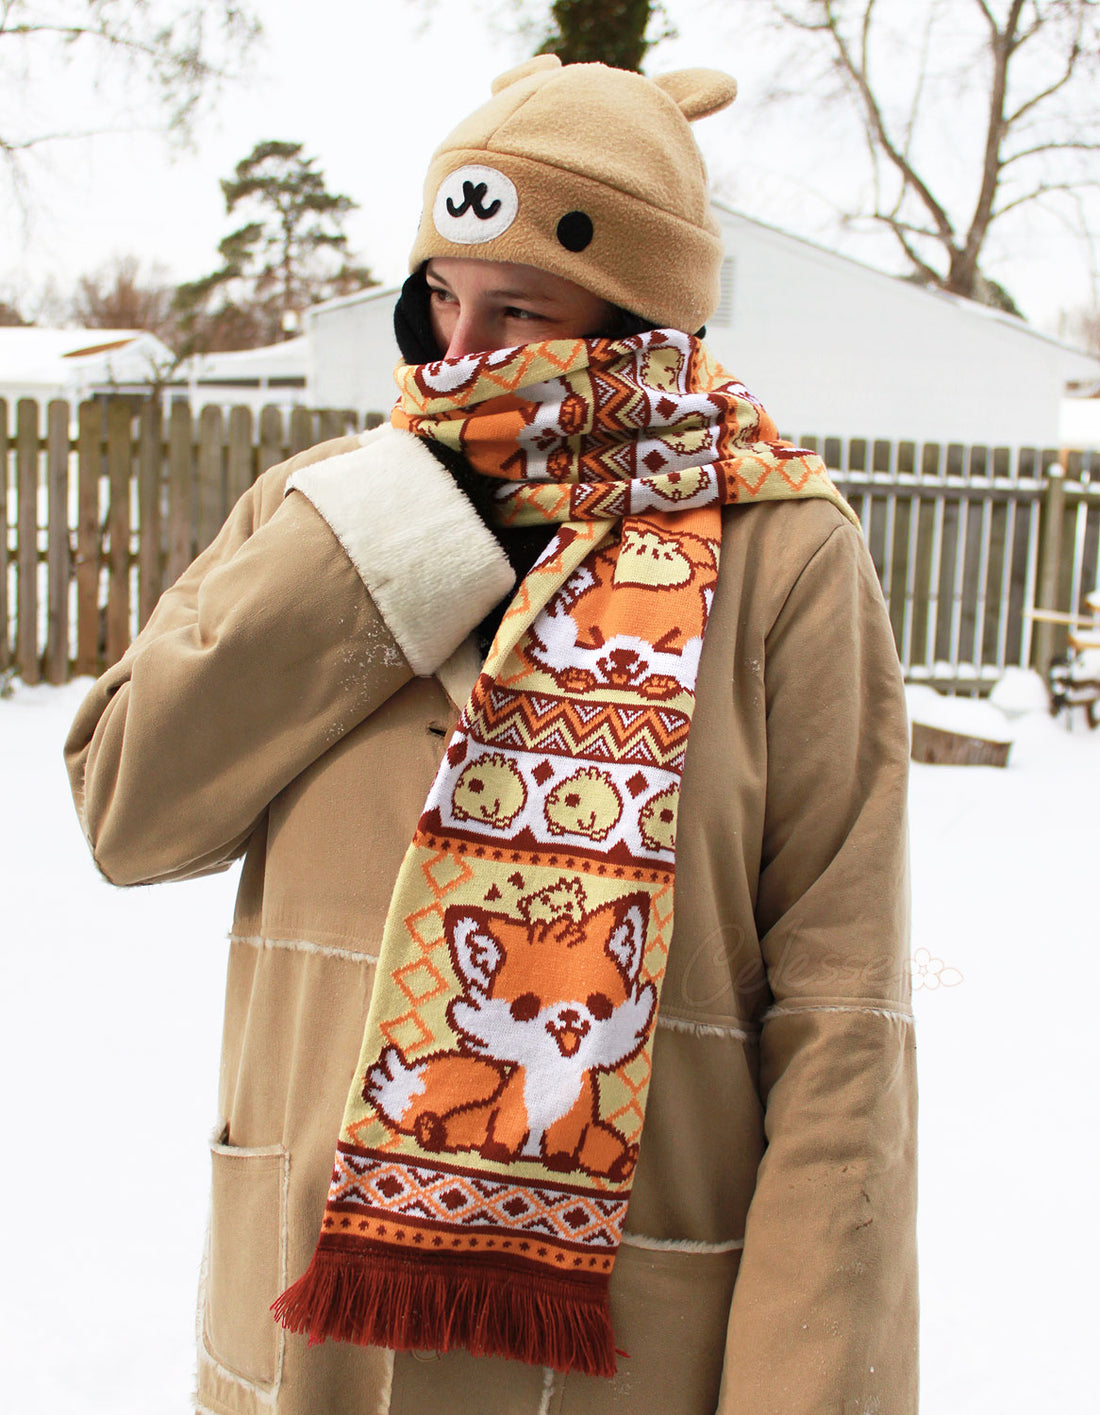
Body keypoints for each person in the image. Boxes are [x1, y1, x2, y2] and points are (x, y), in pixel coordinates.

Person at [66, 55, 917, 1415]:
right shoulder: (332, 502)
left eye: (517, 310)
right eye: (441, 302)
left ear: (639, 318)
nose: (460, 359)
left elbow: (842, 1024)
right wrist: (391, 544)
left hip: (618, 1351)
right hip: (309, 1329)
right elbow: (128, 808)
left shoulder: (785, 558)